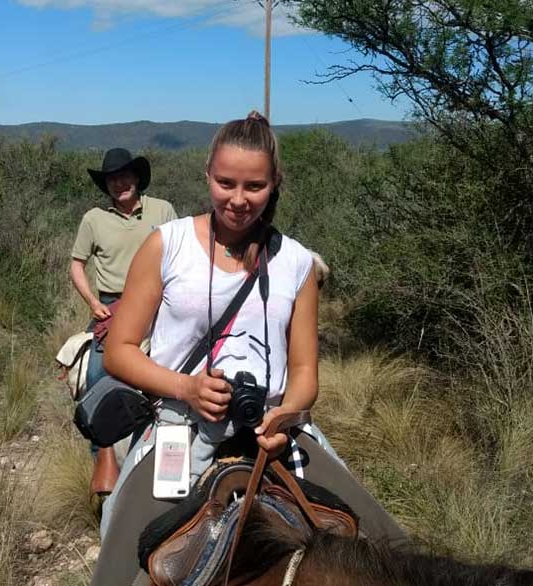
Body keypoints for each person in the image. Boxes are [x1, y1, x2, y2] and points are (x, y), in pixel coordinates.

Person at [93, 112, 407, 585]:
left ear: (274, 182)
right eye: (225, 183)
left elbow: (303, 372)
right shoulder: (167, 245)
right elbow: (119, 350)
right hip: (183, 425)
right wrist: (188, 388)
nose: (238, 200)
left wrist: (287, 415)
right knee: (119, 568)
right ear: (207, 175)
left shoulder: (298, 263)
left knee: (391, 551)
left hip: (275, 432)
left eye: (254, 186)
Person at [70, 147, 177, 497]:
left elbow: (181, 256)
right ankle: (105, 464)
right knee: (99, 376)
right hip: (113, 307)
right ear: (107, 185)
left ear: (136, 177)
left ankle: (165, 470)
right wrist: (92, 303)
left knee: (173, 384)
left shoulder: (162, 210)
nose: (120, 183)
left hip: (160, 303)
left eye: (125, 175)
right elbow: (76, 265)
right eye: (112, 179)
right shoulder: (93, 219)